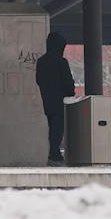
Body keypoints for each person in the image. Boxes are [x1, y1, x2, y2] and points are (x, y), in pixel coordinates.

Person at [35, 31, 77, 165]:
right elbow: (68, 81)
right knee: (58, 128)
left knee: (52, 126)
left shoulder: (41, 62)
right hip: (60, 100)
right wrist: (70, 92)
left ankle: (54, 152)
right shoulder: (61, 62)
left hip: (47, 99)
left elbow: (38, 80)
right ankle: (54, 153)